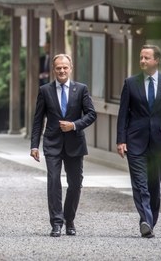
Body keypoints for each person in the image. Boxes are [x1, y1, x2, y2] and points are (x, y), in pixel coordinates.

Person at [116, 44, 161, 239]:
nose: (142, 61)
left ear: (157, 60)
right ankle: (145, 220)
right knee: (140, 184)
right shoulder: (130, 83)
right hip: (135, 141)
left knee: (154, 185)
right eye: (141, 57)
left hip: (160, 142)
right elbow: (123, 114)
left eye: (146, 57)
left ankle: (150, 220)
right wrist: (121, 140)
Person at [30, 53, 96, 237]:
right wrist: (34, 145)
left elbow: (91, 114)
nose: (62, 70)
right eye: (58, 67)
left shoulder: (81, 89)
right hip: (52, 143)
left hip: (75, 143)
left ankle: (70, 219)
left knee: (75, 184)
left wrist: (74, 125)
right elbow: (37, 120)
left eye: (65, 67)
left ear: (71, 68)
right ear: (53, 69)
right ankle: (56, 223)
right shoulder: (45, 90)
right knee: (53, 182)